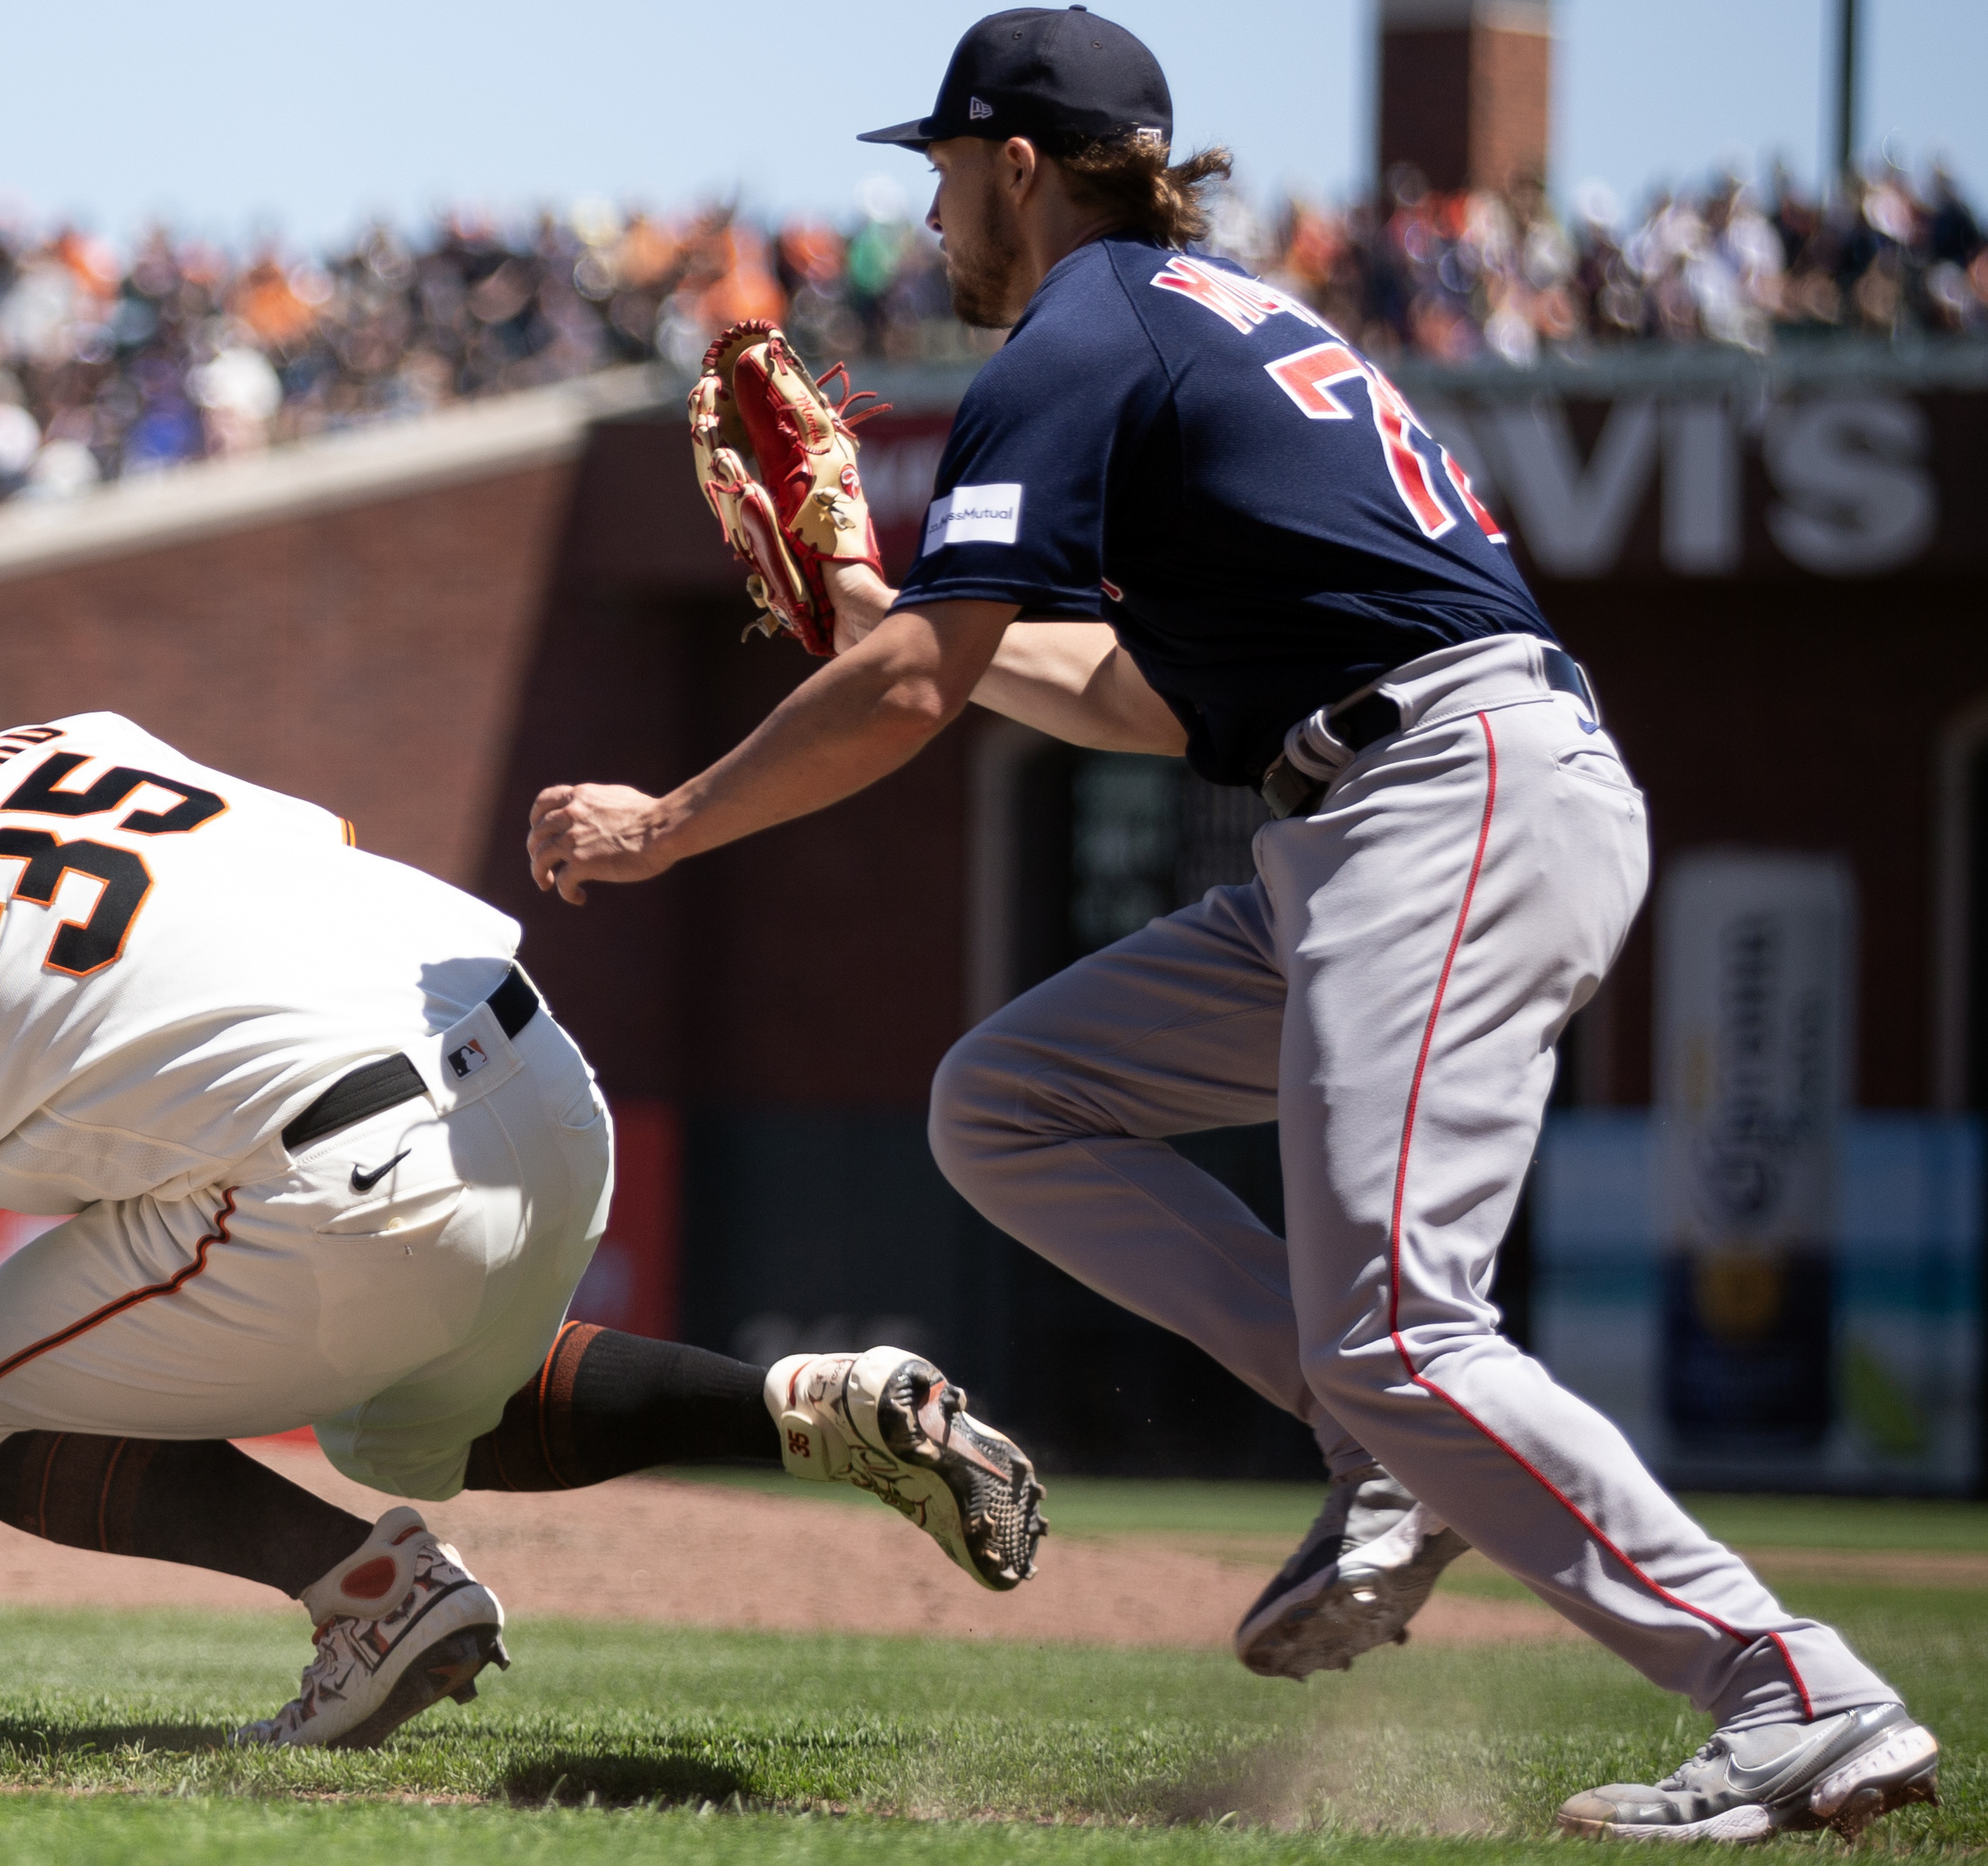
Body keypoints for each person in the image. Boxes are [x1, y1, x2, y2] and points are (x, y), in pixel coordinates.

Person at [524, 10, 1938, 1843]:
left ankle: (1787, 1689)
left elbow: (908, 697)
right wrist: (886, 601)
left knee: (1401, 1331)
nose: (937, 212)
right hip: (1383, 798)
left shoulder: (1081, 328)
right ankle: (1377, 1448)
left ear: (1016, 166)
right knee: (1008, 1100)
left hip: (1439, 797)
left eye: (944, 169)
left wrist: (674, 817)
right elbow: (1133, 699)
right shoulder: (1209, 321)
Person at [0, 667, 1044, 1779]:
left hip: (349, 1166)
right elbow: (298, 853)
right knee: (405, 1429)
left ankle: (373, 1600)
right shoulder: (53, 743)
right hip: (532, 1072)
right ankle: (806, 1407)